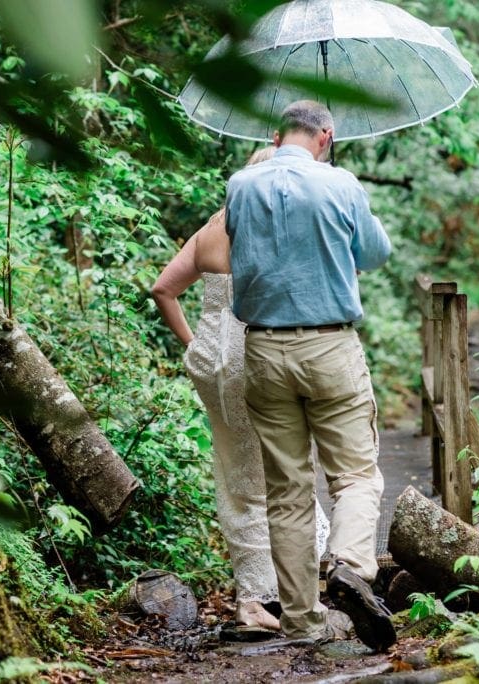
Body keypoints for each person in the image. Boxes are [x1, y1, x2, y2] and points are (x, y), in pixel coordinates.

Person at [225, 100, 396, 651]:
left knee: (288, 492)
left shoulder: (241, 185)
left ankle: (302, 622)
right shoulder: (341, 183)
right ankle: (348, 566)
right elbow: (374, 254)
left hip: (264, 350)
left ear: (279, 136)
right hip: (329, 346)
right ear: (326, 135)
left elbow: (236, 248)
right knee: (356, 476)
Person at [152, 148, 330, 632]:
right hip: (258, 357)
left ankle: (260, 592)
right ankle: (272, 597)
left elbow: (163, 290)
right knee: (281, 467)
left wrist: (196, 348)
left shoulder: (212, 228)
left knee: (237, 470)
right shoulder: (272, 230)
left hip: (213, 363)